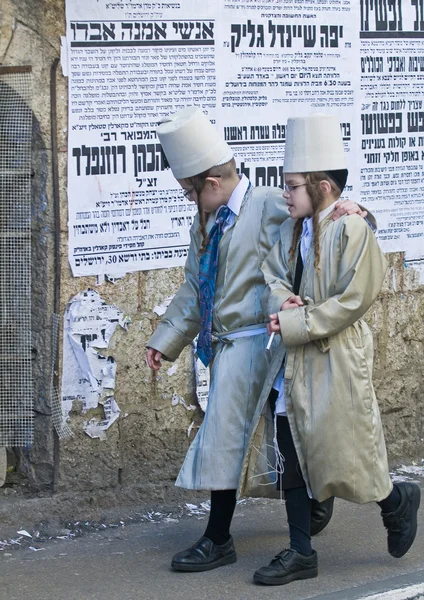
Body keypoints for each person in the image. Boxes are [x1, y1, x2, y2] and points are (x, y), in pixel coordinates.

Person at [146, 106, 372, 573]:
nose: (190, 200)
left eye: (190, 191)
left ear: (211, 182)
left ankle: (237, 531)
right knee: (241, 436)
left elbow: (327, 219)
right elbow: (194, 286)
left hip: (267, 342)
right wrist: (166, 339)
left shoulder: (271, 202)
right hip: (232, 347)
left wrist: (360, 209)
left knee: (269, 433)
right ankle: (267, 519)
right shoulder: (206, 223)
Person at [238, 114, 421, 586]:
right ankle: (301, 550)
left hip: (335, 356)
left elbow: (354, 299)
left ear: (321, 186)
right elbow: (272, 277)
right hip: (295, 358)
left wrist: (296, 321)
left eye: (294, 186)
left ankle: (395, 501)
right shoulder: (290, 228)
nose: (286, 194)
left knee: (350, 448)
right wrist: (283, 301)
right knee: (291, 443)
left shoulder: (352, 230)